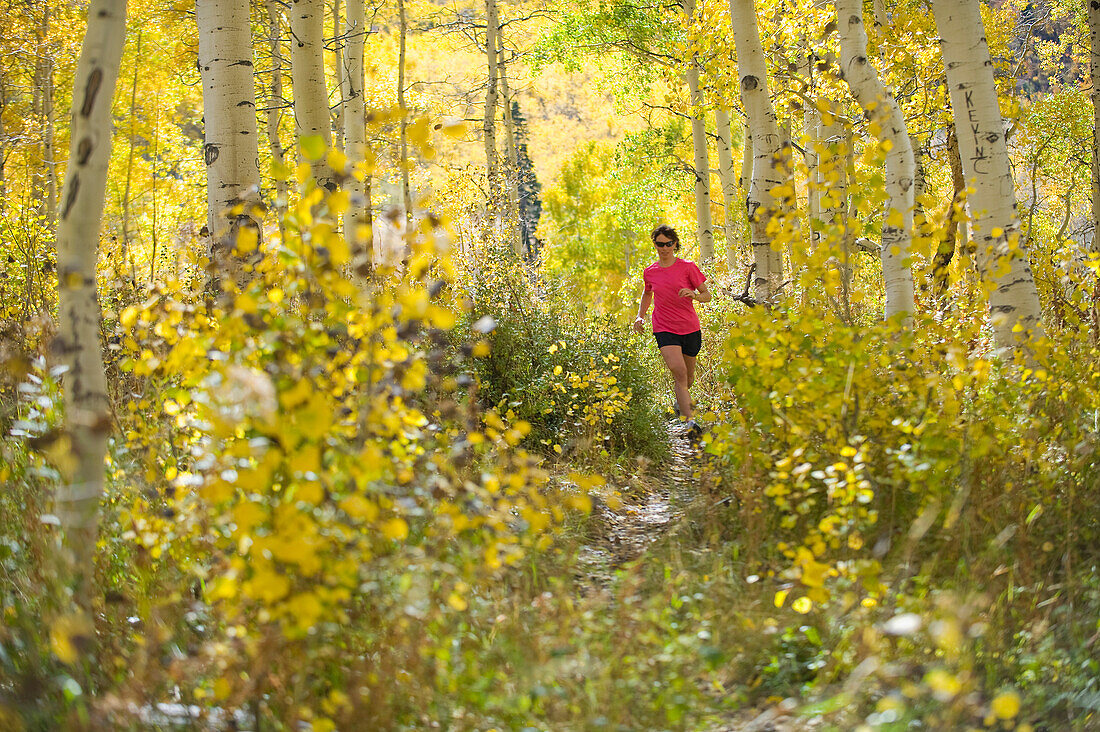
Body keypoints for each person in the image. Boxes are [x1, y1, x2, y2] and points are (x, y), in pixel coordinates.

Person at [633, 225, 711, 436]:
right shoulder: (650, 272)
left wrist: (693, 295)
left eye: (668, 244)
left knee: (688, 378)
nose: (664, 248)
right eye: (660, 244)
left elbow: (707, 295)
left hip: (689, 327)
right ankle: (690, 423)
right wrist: (641, 315)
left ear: (675, 244)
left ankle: (681, 404)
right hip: (664, 327)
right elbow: (647, 294)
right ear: (655, 245)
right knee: (679, 372)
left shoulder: (688, 267)